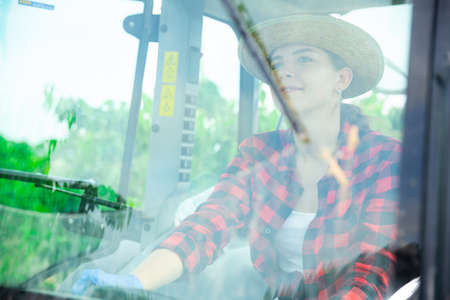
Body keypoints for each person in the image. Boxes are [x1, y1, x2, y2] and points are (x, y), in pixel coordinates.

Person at [72, 14, 401, 299]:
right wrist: (133, 283)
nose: (284, 72)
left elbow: (370, 276)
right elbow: (208, 226)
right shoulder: (260, 153)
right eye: (276, 63)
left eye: (304, 59)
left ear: (341, 79)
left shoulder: (384, 160)